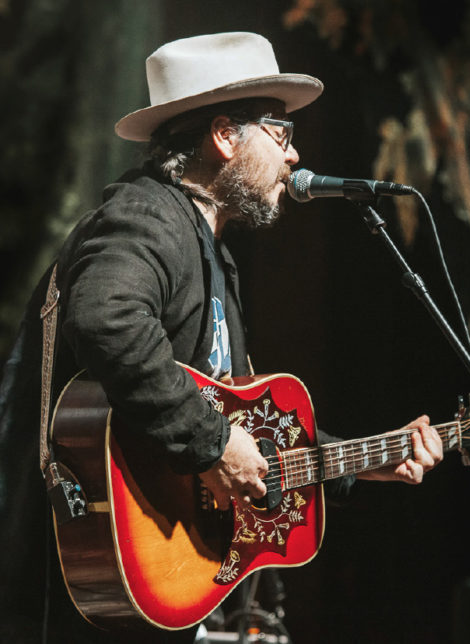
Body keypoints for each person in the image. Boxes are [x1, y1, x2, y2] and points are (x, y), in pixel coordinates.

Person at [0, 32, 443, 643]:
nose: (293, 158)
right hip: (72, 591)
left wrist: (366, 461)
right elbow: (108, 318)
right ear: (225, 135)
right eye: (281, 135)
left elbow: (238, 419)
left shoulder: (209, 254)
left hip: (142, 592)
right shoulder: (147, 216)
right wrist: (211, 447)